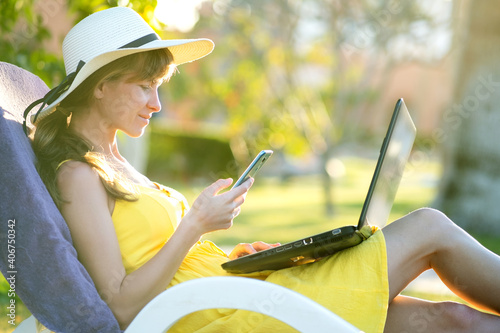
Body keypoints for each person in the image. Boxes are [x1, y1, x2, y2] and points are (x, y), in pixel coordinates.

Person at [25, 7, 500, 333]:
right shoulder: (78, 176)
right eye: (145, 86)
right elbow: (120, 305)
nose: (157, 103)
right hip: (230, 319)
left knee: (452, 322)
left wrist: (249, 255)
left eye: (159, 86)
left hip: (246, 292)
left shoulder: (116, 161)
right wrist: (195, 223)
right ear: (102, 87)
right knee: (428, 227)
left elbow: (169, 256)